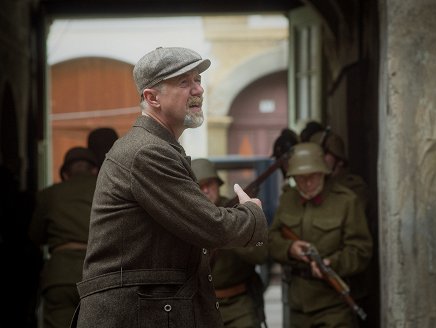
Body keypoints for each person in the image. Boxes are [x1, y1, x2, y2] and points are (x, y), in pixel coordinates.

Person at [74, 47, 268, 328]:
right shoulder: (147, 152)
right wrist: (252, 213)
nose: (198, 89)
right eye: (184, 82)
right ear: (152, 97)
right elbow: (211, 226)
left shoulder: (157, 147)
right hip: (131, 316)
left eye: (198, 79)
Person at [268, 142, 373, 328]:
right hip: (298, 305)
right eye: (301, 178)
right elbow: (271, 239)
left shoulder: (346, 201)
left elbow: (361, 251)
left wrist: (332, 263)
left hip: (333, 305)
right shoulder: (287, 199)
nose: (307, 183)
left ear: (324, 172)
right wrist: (289, 248)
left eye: (313, 176)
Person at [191, 158, 268, 328]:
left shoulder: (235, 212)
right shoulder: (187, 217)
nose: (205, 190)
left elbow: (260, 254)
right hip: (200, 307)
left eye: (209, 184)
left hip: (238, 305)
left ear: (218, 184)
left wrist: (231, 230)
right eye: (199, 185)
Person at [28, 147, 99, 328]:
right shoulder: (104, 189)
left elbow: (34, 236)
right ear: (94, 170)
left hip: (60, 276)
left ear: (66, 174)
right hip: (97, 274)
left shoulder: (49, 194)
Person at [309, 130, 369, 209]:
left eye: (324, 153)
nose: (318, 158)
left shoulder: (354, 188)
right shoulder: (308, 186)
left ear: (340, 161)